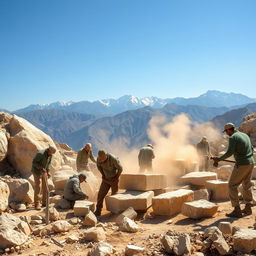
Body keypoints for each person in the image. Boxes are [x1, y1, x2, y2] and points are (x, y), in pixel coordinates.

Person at [212, 123, 255, 218]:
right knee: (246, 184)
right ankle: (248, 208)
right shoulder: (244, 135)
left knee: (232, 185)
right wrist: (245, 156)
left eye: (226, 132)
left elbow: (229, 152)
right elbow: (251, 149)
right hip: (251, 162)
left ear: (228, 130)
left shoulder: (233, 137)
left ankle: (237, 210)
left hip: (242, 164)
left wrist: (218, 159)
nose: (227, 134)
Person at [94, 150, 123, 216]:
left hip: (114, 179)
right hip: (106, 179)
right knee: (101, 194)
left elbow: (120, 169)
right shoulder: (99, 159)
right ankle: (98, 210)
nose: (102, 161)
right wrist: (103, 175)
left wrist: (116, 178)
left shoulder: (113, 159)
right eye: (101, 159)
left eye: (103, 159)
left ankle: (113, 211)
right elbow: (99, 167)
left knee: (114, 196)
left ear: (106, 156)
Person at [31, 146, 56, 210]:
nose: (51, 154)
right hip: (36, 171)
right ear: (48, 150)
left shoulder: (50, 155)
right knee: (38, 187)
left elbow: (49, 164)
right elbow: (34, 162)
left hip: (44, 171)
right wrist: (40, 168)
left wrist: (48, 171)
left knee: (45, 186)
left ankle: (44, 202)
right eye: (51, 153)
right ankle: (37, 204)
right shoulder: (40, 154)